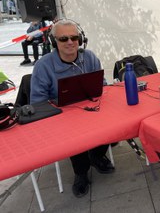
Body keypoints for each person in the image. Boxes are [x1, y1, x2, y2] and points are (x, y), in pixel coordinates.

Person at [30, 19, 114, 198]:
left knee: (113, 123)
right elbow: (37, 102)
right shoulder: (43, 66)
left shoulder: (90, 57)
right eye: (63, 39)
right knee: (75, 136)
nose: (70, 42)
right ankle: (81, 173)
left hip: (91, 110)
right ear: (54, 42)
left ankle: (97, 156)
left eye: (74, 37)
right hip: (62, 117)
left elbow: (103, 86)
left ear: (80, 39)